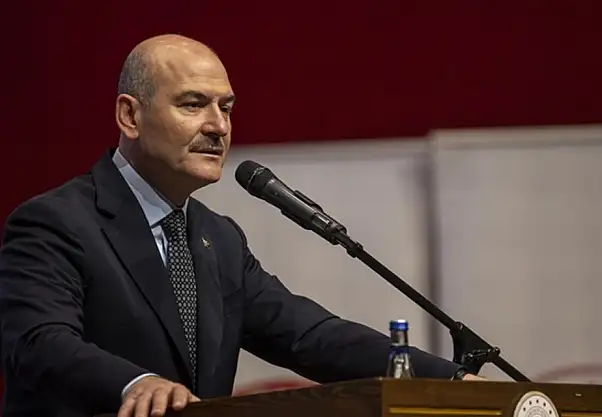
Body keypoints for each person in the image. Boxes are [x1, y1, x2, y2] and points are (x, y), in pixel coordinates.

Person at [0, 34, 482, 417]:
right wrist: (135, 382)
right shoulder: (56, 222)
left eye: (226, 107)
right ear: (130, 115)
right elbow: (38, 342)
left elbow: (311, 337)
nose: (219, 126)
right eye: (193, 104)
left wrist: (451, 380)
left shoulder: (219, 239)